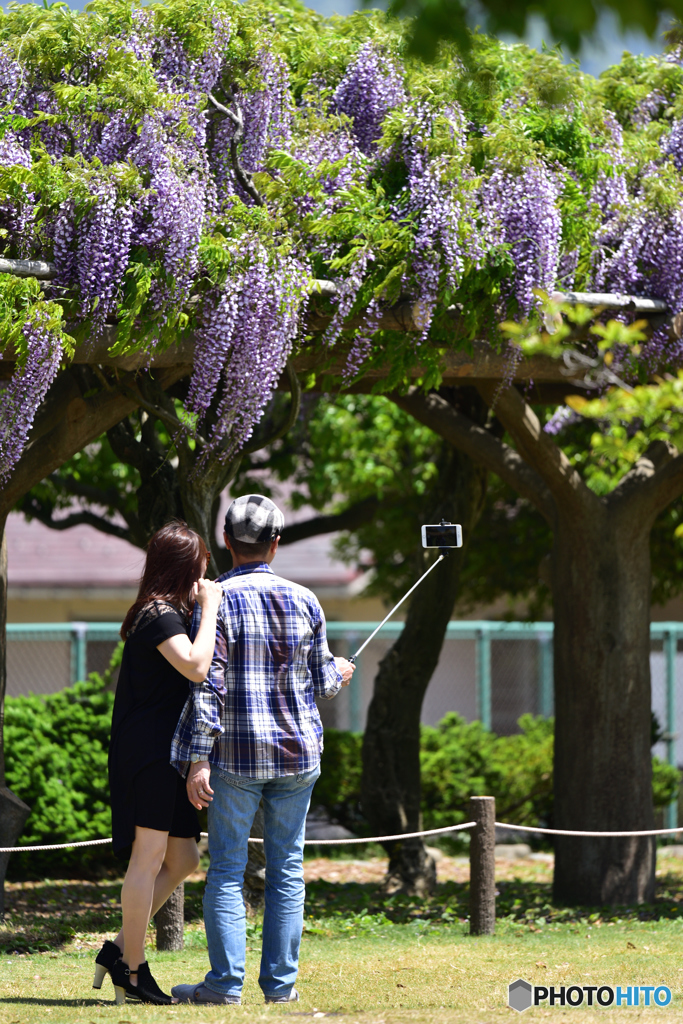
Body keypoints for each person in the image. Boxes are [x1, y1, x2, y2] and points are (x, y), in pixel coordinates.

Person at [170, 494, 355, 1006]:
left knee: (227, 869)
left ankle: (224, 986)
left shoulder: (214, 601)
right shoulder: (306, 600)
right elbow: (321, 681)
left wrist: (197, 758)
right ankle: (281, 989)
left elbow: (208, 683)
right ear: (276, 544)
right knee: (287, 868)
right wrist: (339, 671)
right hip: (299, 757)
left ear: (227, 541)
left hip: (235, 758)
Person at [95, 521, 223, 1006]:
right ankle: (133, 968)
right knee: (147, 858)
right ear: (186, 568)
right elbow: (195, 665)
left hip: (167, 750)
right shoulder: (156, 614)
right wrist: (210, 608)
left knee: (185, 858)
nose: (205, 575)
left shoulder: (168, 611)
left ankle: (119, 950)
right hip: (147, 750)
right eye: (201, 566)